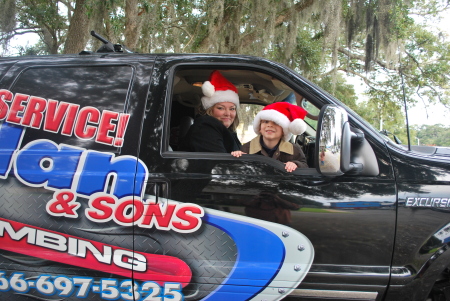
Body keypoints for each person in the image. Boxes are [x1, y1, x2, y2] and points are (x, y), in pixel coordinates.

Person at [232, 102, 308, 172]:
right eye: (265, 122)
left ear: (283, 131)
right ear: (259, 128)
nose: (270, 125)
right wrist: (238, 156)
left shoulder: (294, 149)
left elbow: (305, 166)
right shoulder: (247, 148)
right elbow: (240, 170)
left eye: (275, 123)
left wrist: (296, 164)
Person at [179, 70, 241, 153]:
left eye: (232, 109)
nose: (228, 114)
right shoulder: (205, 127)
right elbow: (220, 163)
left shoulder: (227, 131)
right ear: (209, 110)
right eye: (221, 108)